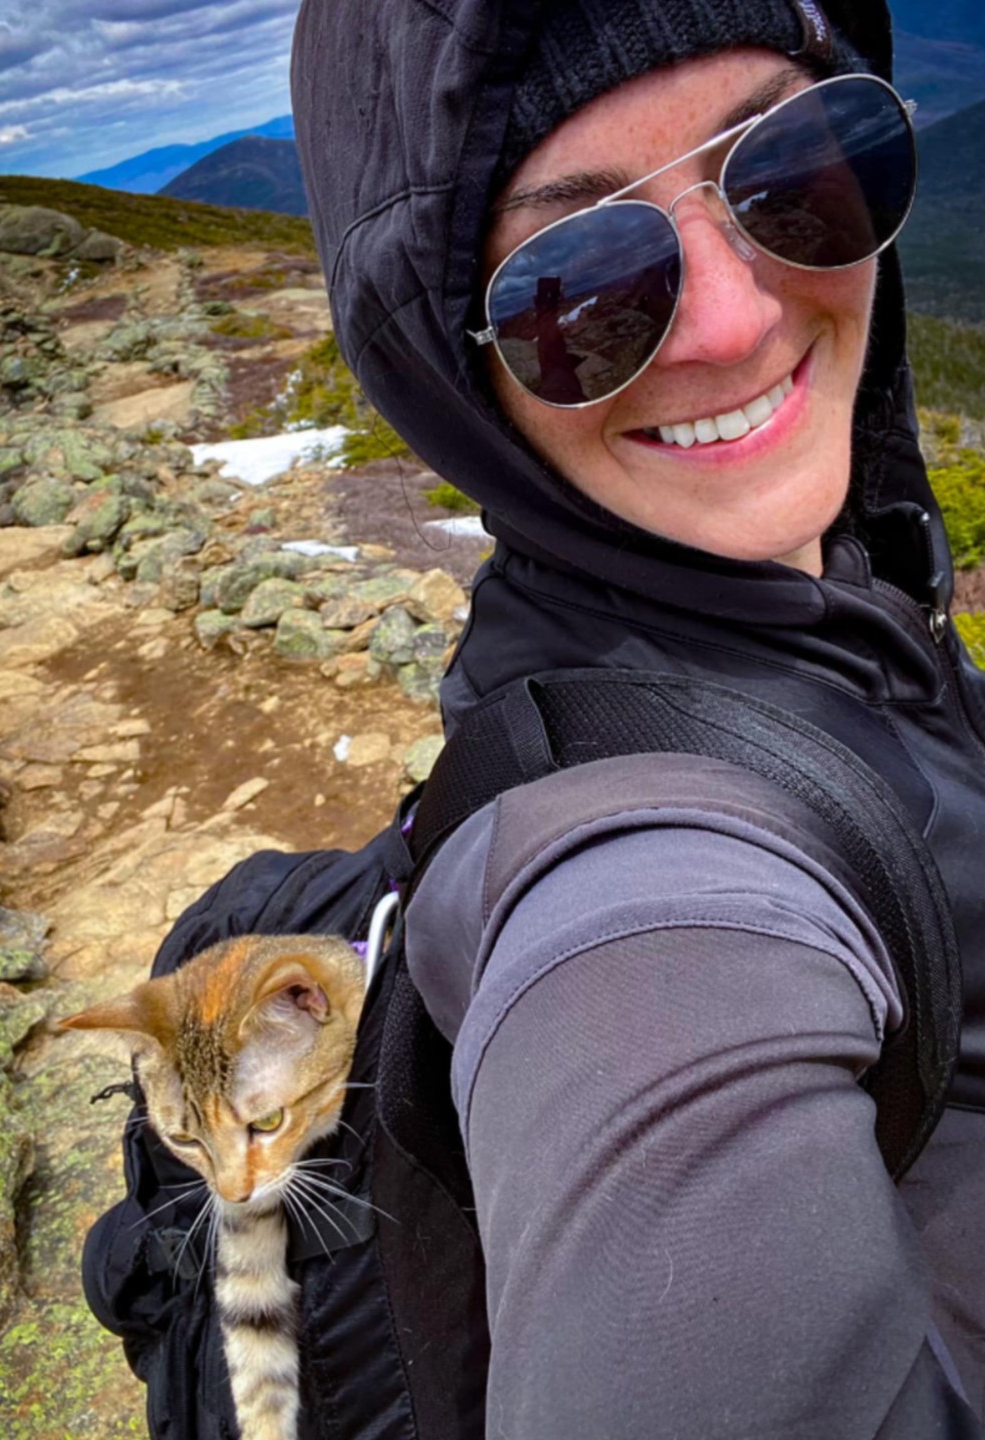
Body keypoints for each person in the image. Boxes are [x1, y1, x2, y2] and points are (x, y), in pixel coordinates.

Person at [292, 0, 985, 1433]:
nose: (736, 319)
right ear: (451, 370)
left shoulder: (854, 587)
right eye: (581, 283)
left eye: (796, 168)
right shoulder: (632, 885)